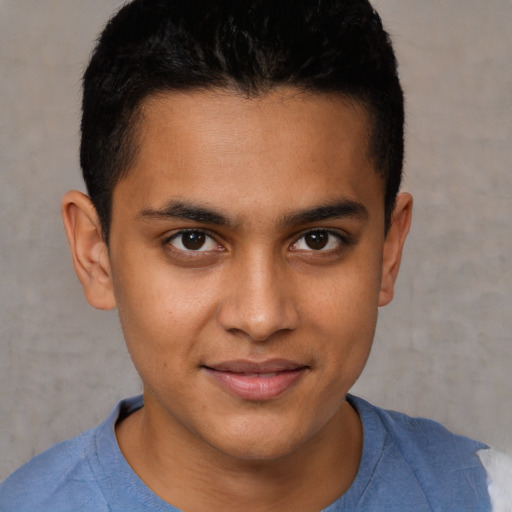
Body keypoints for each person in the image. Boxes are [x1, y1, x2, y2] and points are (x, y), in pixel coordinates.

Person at [1, 0, 510, 510]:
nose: (261, 317)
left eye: (317, 239)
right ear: (96, 253)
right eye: (192, 240)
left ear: (388, 250)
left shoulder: (491, 494)